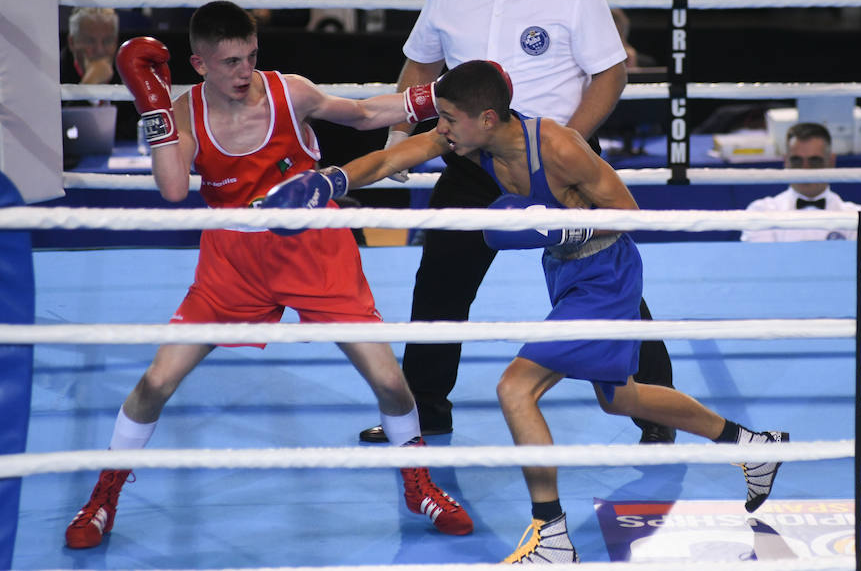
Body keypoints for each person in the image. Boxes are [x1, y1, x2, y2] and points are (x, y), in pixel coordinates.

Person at [263, 59, 790, 563]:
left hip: (606, 275)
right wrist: (330, 180)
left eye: (448, 118)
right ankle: (752, 445)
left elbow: (631, 213)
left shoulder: (559, 146)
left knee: (516, 389)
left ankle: (551, 533)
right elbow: (389, 159)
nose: (440, 128)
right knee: (620, 398)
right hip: (566, 273)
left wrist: (570, 225)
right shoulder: (469, 142)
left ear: (487, 118)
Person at [63, 0, 473, 550]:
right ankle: (103, 498)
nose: (244, 72)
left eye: (250, 57)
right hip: (232, 262)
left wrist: (430, 97)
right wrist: (155, 109)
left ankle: (419, 486)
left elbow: (362, 114)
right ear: (200, 63)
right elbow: (172, 189)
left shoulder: (288, 91)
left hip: (315, 251)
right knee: (156, 381)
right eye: (230, 61)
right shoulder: (183, 112)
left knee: (389, 381)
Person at [359, 0, 676, 445]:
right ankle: (425, 409)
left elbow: (611, 72)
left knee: (604, 275)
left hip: (555, 159)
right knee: (439, 281)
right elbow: (419, 66)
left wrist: (565, 145)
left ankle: (657, 405)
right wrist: (397, 135)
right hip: (470, 161)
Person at [741, 122, 861, 243]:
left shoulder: (856, 217)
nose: (805, 169)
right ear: (786, 162)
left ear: (831, 162)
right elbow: (762, 261)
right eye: (796, 161)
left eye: (815, 161)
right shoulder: (761, 212)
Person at [60, 7, 140, 142]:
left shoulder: (129, 71)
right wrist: (88, 88)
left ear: (116, 42)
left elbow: (134, 130)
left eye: (107, 41)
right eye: (90, 41)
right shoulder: (53, 73)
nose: (99, 50)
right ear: (72, 43)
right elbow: (59, 136)